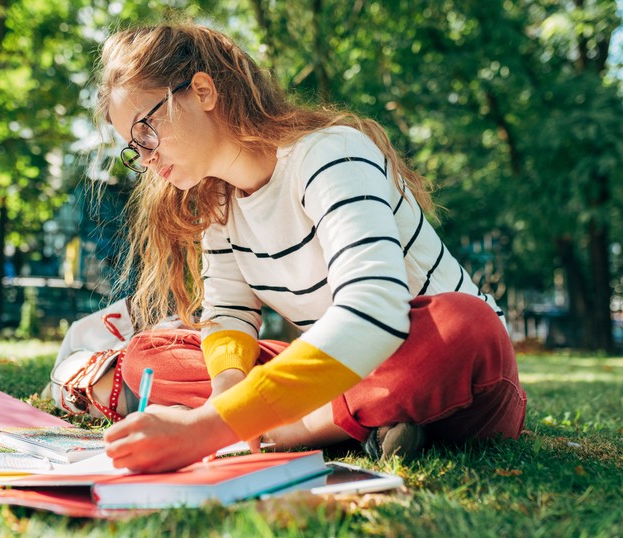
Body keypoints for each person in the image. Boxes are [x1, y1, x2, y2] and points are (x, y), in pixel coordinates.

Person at [96, 23, 527, 473]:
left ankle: (292, 428)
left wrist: (210, 425)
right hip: (356, 373)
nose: (144, 159)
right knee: (151, 353)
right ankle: (363, 422)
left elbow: (376, 311)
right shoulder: (218, 203)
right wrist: (227, 391)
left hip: (445, 363)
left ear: (202, 90)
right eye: (133, 147)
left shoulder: (330, 154)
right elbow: (228, 317)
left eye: (145, 131)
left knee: (464, 325)